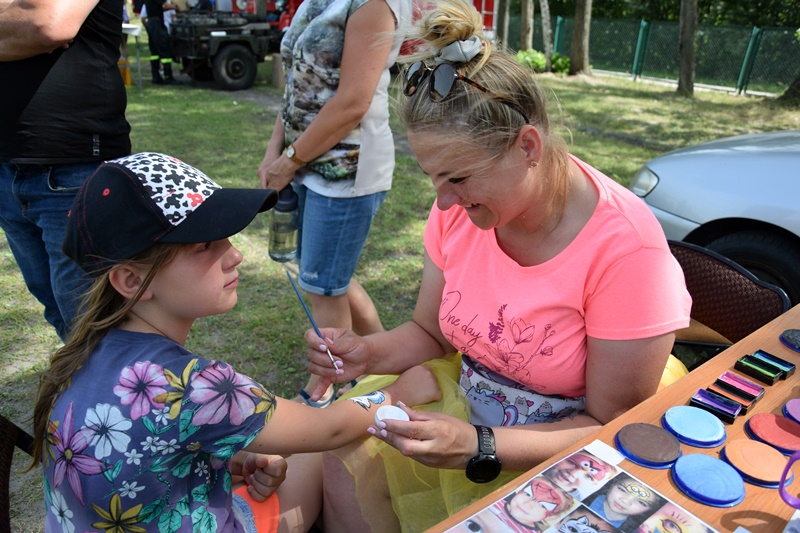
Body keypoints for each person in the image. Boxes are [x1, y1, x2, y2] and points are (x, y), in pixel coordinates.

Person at [299, 0, 692, 529]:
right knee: (345, 453)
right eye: (433, 178)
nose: (442, 205)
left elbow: (609, 425)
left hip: (555, 445)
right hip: (472, 402)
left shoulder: (626, 252)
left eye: (457, 179)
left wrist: (481, 445)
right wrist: (365, 353)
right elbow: (429, 331)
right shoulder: (465, 212)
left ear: (527, 147)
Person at [27, 152, 440, 532]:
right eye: (206, 245)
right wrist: (396, 392)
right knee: (320, 458)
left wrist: (231, 457)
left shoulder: (78, 357)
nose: (235, 254)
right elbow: (327, 431)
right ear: (132, 281)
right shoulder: (191, 384)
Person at [257, 0, 412, 407]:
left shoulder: (375, 5)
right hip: (305, 162)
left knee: (323, 284)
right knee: (328, 276)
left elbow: (353, 101)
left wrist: (290, 160)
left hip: (347, 169)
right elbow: (297, 82)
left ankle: (325, 384)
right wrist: (276, 153)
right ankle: (384, 356)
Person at [0, 0, 132, 341]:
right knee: (59, 311)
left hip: (73, 165)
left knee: (92, 318)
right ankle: (88, 385)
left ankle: (108, 389)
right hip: (7, 165)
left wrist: (23, 20)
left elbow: (48, 24)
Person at [584, 473, 665, 531]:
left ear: (650, 510)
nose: (625, 501)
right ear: (613, 484)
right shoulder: (586, 496)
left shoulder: (632, 529)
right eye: (622, 490)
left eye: (641, 502)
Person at [543, 451, 617, 501]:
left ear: (594, 484)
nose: (574, 474)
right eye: (572, 463)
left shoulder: (575, 500)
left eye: (588, 476)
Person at [142, 0, 180, 84]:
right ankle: (168, 76)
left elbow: (158, 9)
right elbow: (166, 5)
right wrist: (175, 7)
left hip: (151, 23)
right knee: (165, 49)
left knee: (154, 52)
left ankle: (156, 77)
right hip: (156, 24)